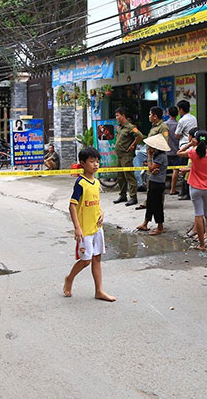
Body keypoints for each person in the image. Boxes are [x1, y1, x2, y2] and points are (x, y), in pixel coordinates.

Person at [62, 146, 115, 302]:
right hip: (85, 230)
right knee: (86, 260)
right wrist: (77, 228)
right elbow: (72, 205)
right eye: (92, 162)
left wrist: (101, 213)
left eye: (97, 161)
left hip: (97, 228)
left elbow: (95, 203)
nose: (96, 165)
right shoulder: (80, 183)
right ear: (83, 163)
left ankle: (99, 291)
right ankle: (69, 278)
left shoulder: (96, 182)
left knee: (97, 258)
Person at [177, 130, 207, 251]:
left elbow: (179, 153)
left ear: (196, 140)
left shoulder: (192, 153)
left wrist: (190, 144)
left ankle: (202, 244)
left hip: (195, 187)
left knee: (198, 214)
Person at [136, 106, 171, 211]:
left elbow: (164, 142)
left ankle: (159, 204)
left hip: (158, 157)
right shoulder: (154, 126)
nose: (149, 116)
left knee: (158, 183)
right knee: (150, 181)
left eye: (150, 114)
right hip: (151, 156)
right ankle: (149, 202)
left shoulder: (163, 127)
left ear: (155, 116)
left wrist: (153, 152)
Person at [136, 134, 169, 235]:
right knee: (150, 203)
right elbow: (150, 167)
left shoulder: (161, 156)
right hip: (153, 181)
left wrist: (149, 157)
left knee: (157, 205)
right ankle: (145, 223)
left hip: (158, 183)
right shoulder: (157, 155)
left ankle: (160, 226)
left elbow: (151, 168)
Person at [113, 107, 143, 206]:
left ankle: (133, 197)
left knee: (129, 176)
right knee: (120, 177)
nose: (116, 117)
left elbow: (139, 135)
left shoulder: (130, 127)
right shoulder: (120, 127)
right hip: (119, 156)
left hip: (127, 155)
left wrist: (133, 145)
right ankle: (122, 195)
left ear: (123, 115)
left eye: (118, 115)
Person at [173, 100, 198, 199]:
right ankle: (186, 191)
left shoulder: (182, 120)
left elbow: (177, 135)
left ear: (181, 109)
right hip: (193, 147)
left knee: (184, 171)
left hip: (185, 147)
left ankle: (185, 192)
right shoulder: (193, 118)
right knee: (190, 170)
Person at [166, 106, 180, 195]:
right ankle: (173, 189)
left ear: (168, 113)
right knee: (176, 170)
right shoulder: (178, 125)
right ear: (177, 114)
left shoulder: (164, 125)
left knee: (163, 170)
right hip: (176, 151)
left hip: (166, 151)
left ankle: (162, 188)